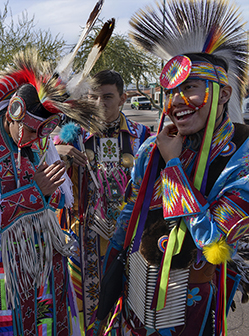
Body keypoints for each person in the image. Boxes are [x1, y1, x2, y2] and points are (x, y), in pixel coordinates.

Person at [101, 0, 249, 335]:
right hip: (137, 294)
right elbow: (130, 215)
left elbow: (213, 245)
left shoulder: (242, 153)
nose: (176, 102)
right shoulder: (153, 148)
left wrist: (172, 166)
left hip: (195, 307)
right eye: (170, 92)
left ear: (223, 93)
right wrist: (111, 274)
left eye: (189, 87)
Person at [0, 49, 101, 336]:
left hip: (48, 264)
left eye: (43, 133)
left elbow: (62, 198)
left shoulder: (39, 142)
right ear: (14, 111)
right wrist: (34, 193)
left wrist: (47, 193)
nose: (35, 140)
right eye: (30, 131)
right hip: (7, 269)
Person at [55, 69, 151, 331]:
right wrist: (58, 152)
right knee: (84, 306)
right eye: (93, 97)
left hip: (132, 236)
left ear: (123, 98)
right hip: (85, 237)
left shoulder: (142, 136)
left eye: (107, 97)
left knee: (130, 300)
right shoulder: (71, 136)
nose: (99, 104)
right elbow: (47, 171)